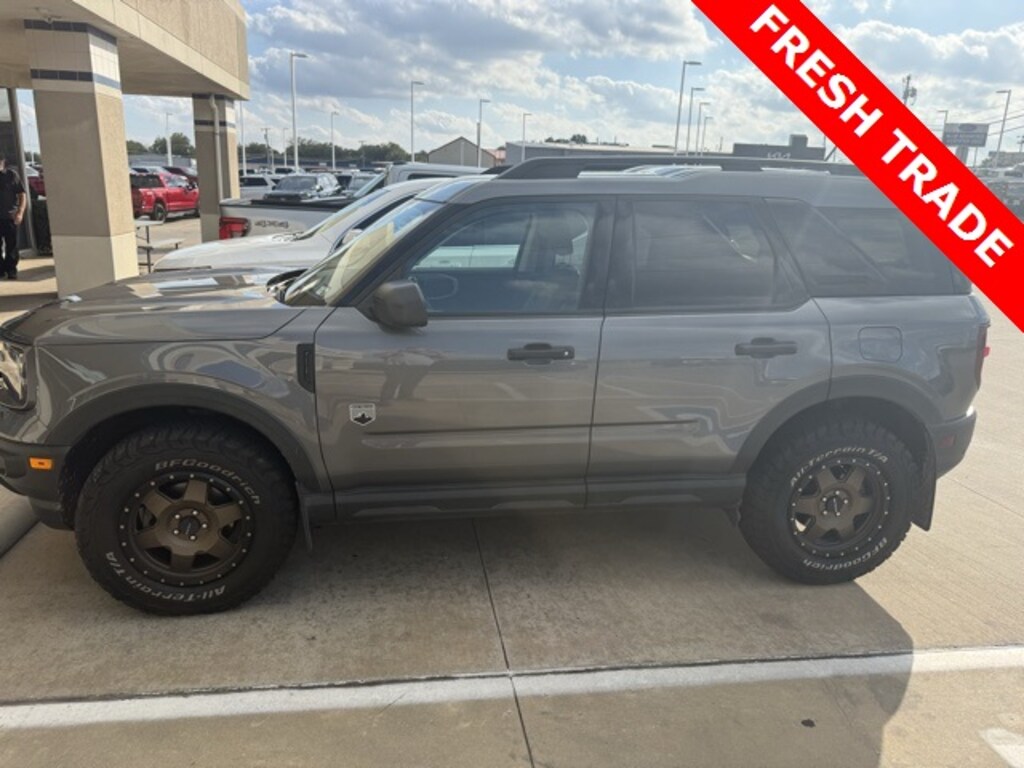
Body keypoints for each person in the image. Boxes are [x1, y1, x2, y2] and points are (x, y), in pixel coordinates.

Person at [0, 156, 27, 280]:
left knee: (11, 245)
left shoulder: (11, 175)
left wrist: (20, 212)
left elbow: (22, 194)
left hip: (10, 216)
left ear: (3, 162)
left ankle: (11, 269)